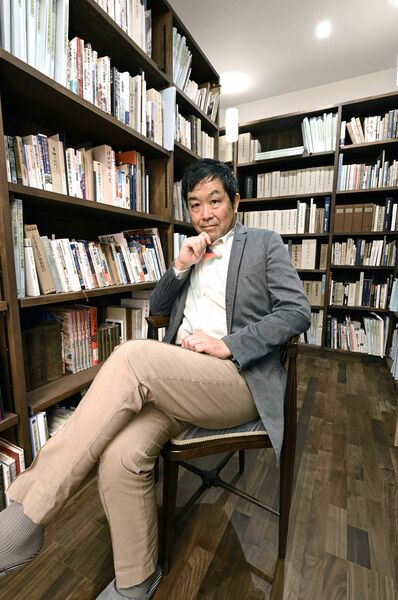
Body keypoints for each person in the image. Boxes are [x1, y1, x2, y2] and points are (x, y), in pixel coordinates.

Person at [0, 158, 311, 599]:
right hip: (177, 377)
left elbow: (297, 312)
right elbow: (157, 311)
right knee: (120, 456)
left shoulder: (264, 244)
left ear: (236, 202)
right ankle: (137, 580)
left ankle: (26, 515)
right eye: (195, 205)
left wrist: (230, 344)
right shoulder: (192, 249)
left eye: (215, 201)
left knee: (131, 356)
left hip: (235, 379)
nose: (206, 214)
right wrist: (180, 266)